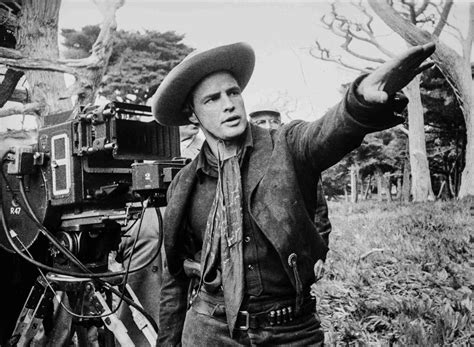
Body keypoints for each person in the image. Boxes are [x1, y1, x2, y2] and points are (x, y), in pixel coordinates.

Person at [152, 41, 435, 345]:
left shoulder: (286, 144)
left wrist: (359, 102)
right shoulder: (184, 182)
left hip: (289, 330)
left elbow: (324, 133)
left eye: (233, 92)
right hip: (210, 331)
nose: (229, 104)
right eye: (212, 99)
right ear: (192, 114)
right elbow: (174, 279)